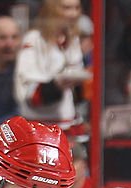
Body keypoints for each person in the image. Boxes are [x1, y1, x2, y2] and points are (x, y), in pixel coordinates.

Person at [14, 0, 90, 129]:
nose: (73, 14)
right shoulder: (34, 39)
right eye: (66, 8)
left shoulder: (72, 40)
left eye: (77, 8)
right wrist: (56, 85)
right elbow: (28, 92)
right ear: (51, 10)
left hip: (66, 124)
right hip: (37, 125)